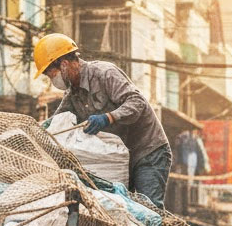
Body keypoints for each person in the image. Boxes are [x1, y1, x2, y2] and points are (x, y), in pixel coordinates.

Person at [33, 33, 172, 208]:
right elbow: (57, 123)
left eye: (51, 74)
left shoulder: (105, 73)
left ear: (64, 64)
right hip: (119, 158)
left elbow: (137, 102)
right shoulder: (72, 94)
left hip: (147, 151)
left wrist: (108, 117)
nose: (52, 80)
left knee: (149, 209)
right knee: (122, 210)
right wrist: (35, 131)